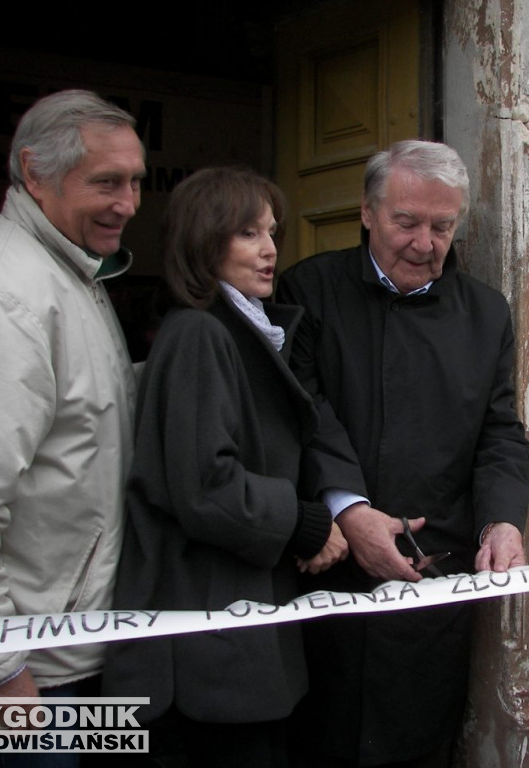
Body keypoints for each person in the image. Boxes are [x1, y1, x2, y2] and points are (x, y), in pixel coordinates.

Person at [276, 139, 529, 767]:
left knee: (415, 745)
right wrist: (350, 510)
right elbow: (300, 414)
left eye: (442, 226)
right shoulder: (309, 289)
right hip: (330, 571)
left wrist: (502, 520)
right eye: (406, 222)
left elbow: (500, 431)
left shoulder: (485, 312)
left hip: (432, 577)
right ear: (367, 212)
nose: (425, 243)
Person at [101, 167, 357, 766]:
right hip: (204, 661)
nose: (271, 250)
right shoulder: (198, 333)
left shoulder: (245, 330)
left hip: (235, 641)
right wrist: (309, 524)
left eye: (272, 232)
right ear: (204, 241)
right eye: (248, 233)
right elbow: (205, 488)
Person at [0, 89, 145, 765]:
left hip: (71, 658)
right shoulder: (4, 298)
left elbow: (87, 419)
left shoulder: (67, 276)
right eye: (107, 183)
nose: (129, 203)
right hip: (29, 685)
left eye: (136, 181)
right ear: (35, 175)